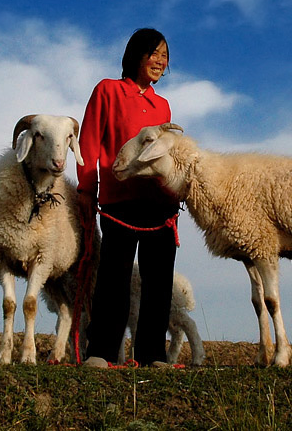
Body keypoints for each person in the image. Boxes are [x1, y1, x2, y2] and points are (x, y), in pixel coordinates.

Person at [77, 28, 180, 368]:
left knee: (158, 282)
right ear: (137, 54)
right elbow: (89, 144)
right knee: (113, 279)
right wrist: (86, 191)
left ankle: (153, 355)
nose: (160, 60)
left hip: (161, 205)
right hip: (118, 201)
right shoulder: (108, 90)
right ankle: (101, 352)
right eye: (154, 53)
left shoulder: (162, 106)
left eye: (164, 55)